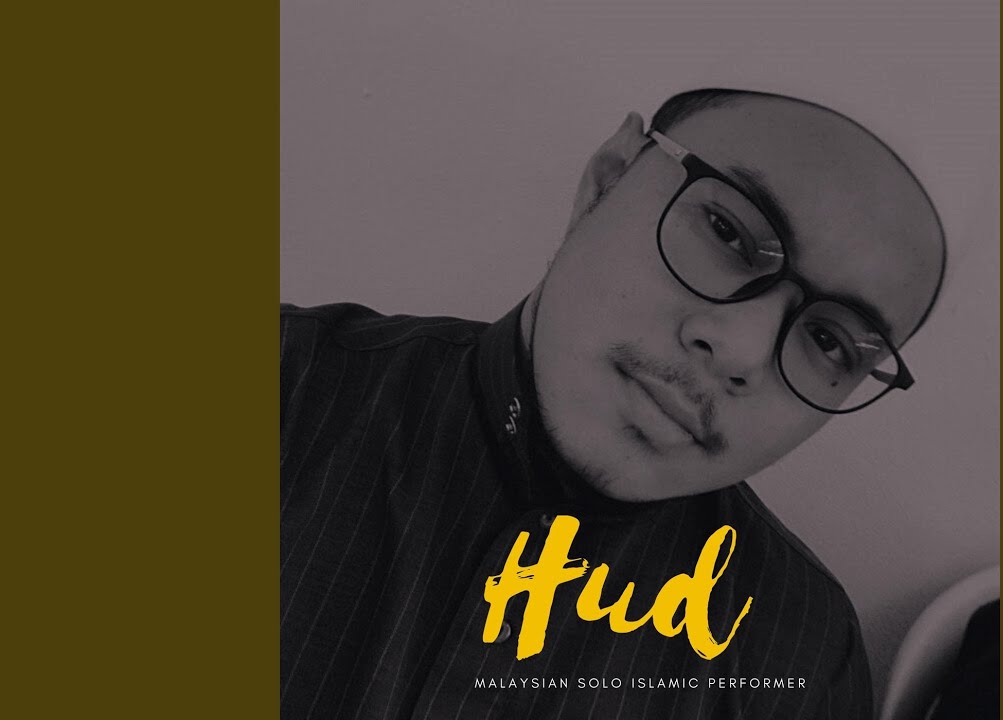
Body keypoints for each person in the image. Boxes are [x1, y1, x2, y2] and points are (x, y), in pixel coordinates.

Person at [280, 88, 946, 720]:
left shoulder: (801, 655)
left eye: (829, 343)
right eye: (726, 232)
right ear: (608, 179)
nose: (742, 350)